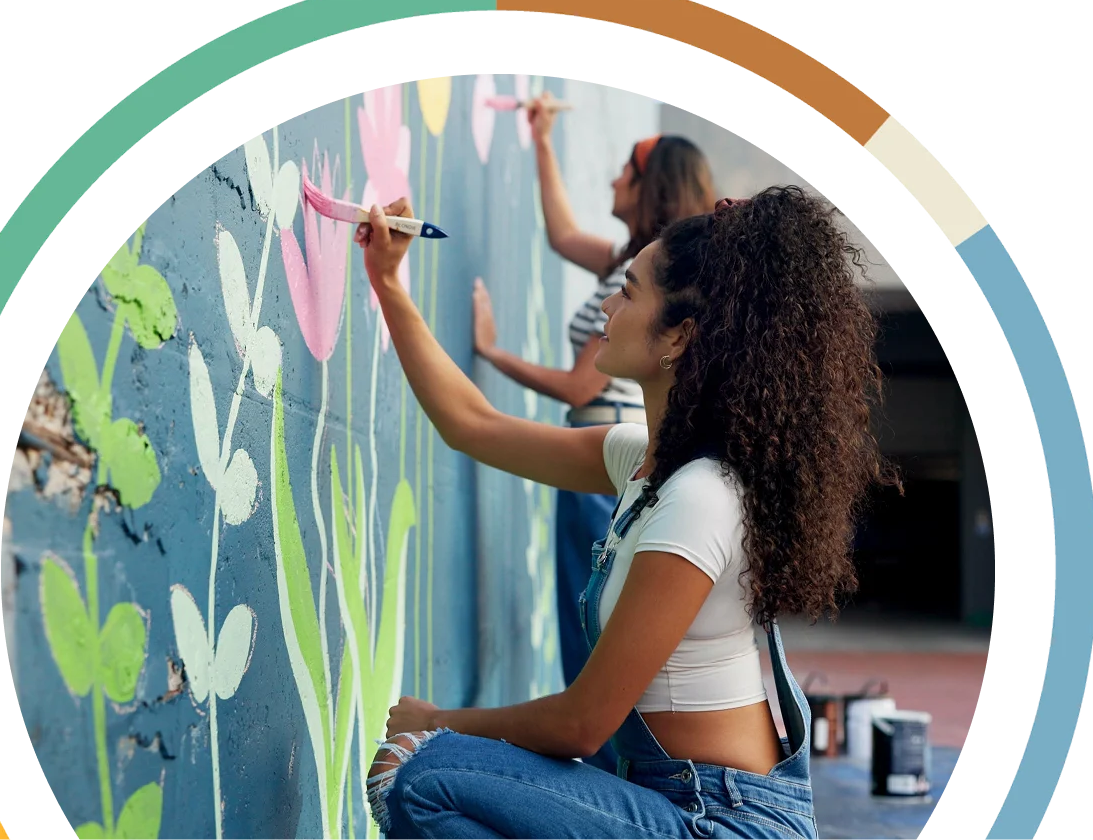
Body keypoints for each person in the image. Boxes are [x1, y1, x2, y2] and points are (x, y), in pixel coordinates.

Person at [356, 185, 900, 839]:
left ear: (678, 336)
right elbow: (474, 425)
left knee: (420, 773)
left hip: (718, 821)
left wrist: (437, 718)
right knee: (426, 770)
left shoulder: (700, 498)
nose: (606, 309)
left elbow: (580, 724)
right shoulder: (649, 463)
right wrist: (388, 282)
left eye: (629, 292)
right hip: (678, 801)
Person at [472, 92, 716, 773]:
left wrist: (493, 353)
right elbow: (558, 233)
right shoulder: (628, 264)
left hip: (603, 459)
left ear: (649, 185)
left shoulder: (643, 275)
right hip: (606, 452)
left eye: (624, 170)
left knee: (590, 664)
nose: (611, 178)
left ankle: (601, 789)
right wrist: (542, 138)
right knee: (593, 657)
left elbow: (582, 386)